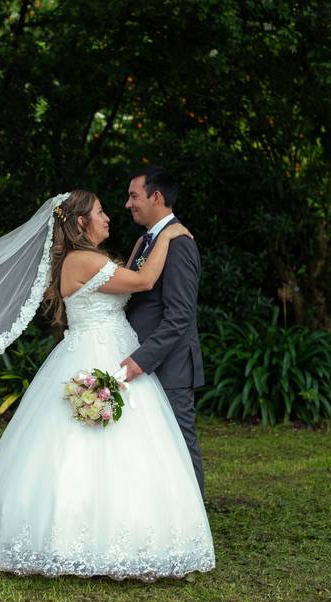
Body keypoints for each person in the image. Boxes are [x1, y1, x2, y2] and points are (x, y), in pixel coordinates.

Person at [0, 189, 214, 581]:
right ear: (80, 222)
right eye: (100, 212)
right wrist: (169, 234)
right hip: (99, 353)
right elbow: (144, 281)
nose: (109, 216)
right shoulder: (82, 260)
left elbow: (126, 279)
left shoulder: (89, 260)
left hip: (109, 347)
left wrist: (147, 242)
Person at [121, 167, 206, 498]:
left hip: (168, 365)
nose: (128, 204)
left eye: (134, 196)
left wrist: (140, 360)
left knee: (180, 444)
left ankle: (194, 522)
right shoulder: (147, 241)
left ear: (156, 197)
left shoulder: (179, 242)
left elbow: (180, 315)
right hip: (147, 360)